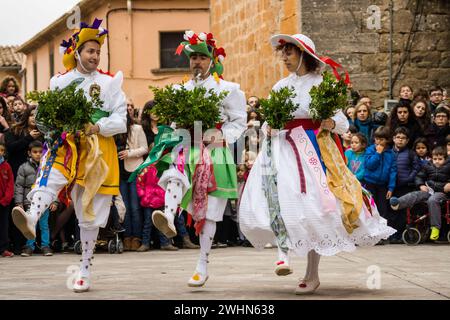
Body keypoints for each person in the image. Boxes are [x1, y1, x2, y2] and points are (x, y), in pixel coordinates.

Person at [239, 33, 395, 295]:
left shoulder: (322, 86)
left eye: (289, 52)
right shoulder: (280, 86)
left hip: (312, 151)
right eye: (283, 53)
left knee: (313, 209)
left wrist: (330, 123)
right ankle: (283, 255)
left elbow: (343, 123)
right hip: (283, 151)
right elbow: (272, 119)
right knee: (280, 200)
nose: (285, 57)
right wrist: (268, 128)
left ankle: (312, 274)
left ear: (303, 55)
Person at [11, 18, 126, 293]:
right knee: (50, 176)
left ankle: (85, 269)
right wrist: (48, 126)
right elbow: (48, 115)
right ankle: (30, 216)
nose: (95, 56)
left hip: (98, 149)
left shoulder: (110, 83)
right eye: (90, 51)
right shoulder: (60, 82)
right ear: (77, 53)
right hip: (67, 143)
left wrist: (98, 126)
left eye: (98, 51)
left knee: (90, 210)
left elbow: (121, 119)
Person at [132, 31, 247, 287]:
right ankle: (169, 216)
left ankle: (202, 265)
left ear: (211, 60)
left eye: (201, 57)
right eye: (193, 57)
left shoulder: (228, 90)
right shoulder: (180, 90)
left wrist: (220, 135)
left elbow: (239, 121)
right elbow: (173, 123)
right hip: (187, 146)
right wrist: (173, 136)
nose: (196, 61)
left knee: (211, 213)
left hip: (214, 151)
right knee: (174, 173)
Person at [390, 146, 450, 241]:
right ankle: (398, 203)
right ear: (431, 158)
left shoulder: (448, 166)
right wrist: (421, 185)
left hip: (441, 193)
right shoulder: (428, 166)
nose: (437, 161)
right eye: (435, 159)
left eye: (440, 159)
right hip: (429, 190)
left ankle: (435, 228)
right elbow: (419, 177)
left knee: (432, 200)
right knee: (416, 194)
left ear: (445, 159)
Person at [115, 103, 148, 251]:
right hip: (118, 172)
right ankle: (127, 236)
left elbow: (145, 148)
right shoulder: (113, 132)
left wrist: (130, 153)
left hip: (134, 171)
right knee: (124, 207)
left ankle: (137, 237)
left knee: (135, 207)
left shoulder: (137, 129)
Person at [16, 141, 53, 257]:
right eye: (35, 152)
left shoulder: (48, 168)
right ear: (29, 153)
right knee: (30, 224)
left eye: (40, 152)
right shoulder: (24, 167)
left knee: (44, 225)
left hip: (45, 202)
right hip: (29, 202)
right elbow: (19, 186)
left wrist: (55, 201)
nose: (37, 154)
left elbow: (54, 186)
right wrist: (19, 202)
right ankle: (29, 246)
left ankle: (45, 246)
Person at [389, 127, 420, 243]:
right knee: (391, 211)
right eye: (398, 137)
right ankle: (392, 234)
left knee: (402, 211)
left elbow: (416, 168)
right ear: (393, 139)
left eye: (403, 138)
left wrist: (409, 178)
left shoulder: (411, 154)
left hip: (405, 187)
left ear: (407, 141)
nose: (400, 140)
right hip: (391, 188)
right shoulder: (388, 152)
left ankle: (401, 234)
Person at [363, 126, 397, 221]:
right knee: (370, 207)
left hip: (383, 185)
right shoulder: (370, 150)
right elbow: (370, 165)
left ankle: (382, 231)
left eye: (381, 139)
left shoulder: (391, 154)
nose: (378, 142)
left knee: (382, 208)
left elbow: (393, 171)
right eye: (377, 139)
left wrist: (391, 188)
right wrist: (377, 153)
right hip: (370, 183)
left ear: (387, 140)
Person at [0, 141, 14, 257]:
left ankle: (3, 248)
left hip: (4, 203)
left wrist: (6, 199)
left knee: (4, 226)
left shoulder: (7, 166)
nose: (0, 152)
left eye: (2, 150)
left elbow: (10, 184)